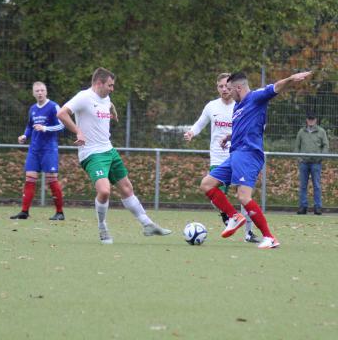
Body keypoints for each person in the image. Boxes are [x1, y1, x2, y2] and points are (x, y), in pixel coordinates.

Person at [57, 67, 171, 244]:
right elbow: (61, 113)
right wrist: (78, 131)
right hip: (92, 154)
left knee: (127, 188)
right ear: (99, 83)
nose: (112, 89)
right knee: (104, 191)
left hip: (109, 150)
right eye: (110, 85)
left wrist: (112, 109)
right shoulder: (83, 97)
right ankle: (102, 228)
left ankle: (147, 224)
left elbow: (106, 103)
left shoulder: (105, 97)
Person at [200, 70, 312, 249]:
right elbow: (243, 127)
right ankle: (234, 216)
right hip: (235, 154)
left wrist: (291, 79)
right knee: (207, 184)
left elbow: (276, 87)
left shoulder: (255, 97)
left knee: (243, 197)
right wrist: (229, 137)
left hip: (249, 154)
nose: (227, 92)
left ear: (238, 87)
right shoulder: (238, 106)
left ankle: (269, 237)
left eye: (229, 88)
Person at [184, 73, 259, 243]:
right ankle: (229, 216)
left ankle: (248, 232)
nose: (224, 89)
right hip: (218, 159)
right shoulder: (211, 106)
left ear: (233, 87)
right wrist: (191, 133)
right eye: (220, 86)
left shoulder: (242, 105)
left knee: (244, 194)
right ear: (217, 87)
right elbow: (200, 123)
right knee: (213, 192)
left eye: (227, 86)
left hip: (238, 155)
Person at [10, 81, 65, 220]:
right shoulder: (32, 108)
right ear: (33, 93)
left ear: (46, 92)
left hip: (49, 149)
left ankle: (60, 213)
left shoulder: (53, 107)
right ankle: (24, 212)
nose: (40, 93)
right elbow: (29, 126)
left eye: (42, 90)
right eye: (37, 91)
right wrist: (25, 136)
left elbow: (62, 126)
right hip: (34, 150)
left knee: (51, 179)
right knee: (30, 179)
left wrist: (45, 128)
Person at [295, 112, 329, 215]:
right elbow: (297, 146)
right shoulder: (301, 132)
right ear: (307, 120)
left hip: (316, 163)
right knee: (303, 186)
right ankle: (303, 207)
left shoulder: (321, 131)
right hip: (304, 163)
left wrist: (321, 157)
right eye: (309, 119)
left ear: (316, 120)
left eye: (312, 119)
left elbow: (325, 145)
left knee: (317, 186)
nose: (311, 121)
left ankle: (318, 207)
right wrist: (299, 158)